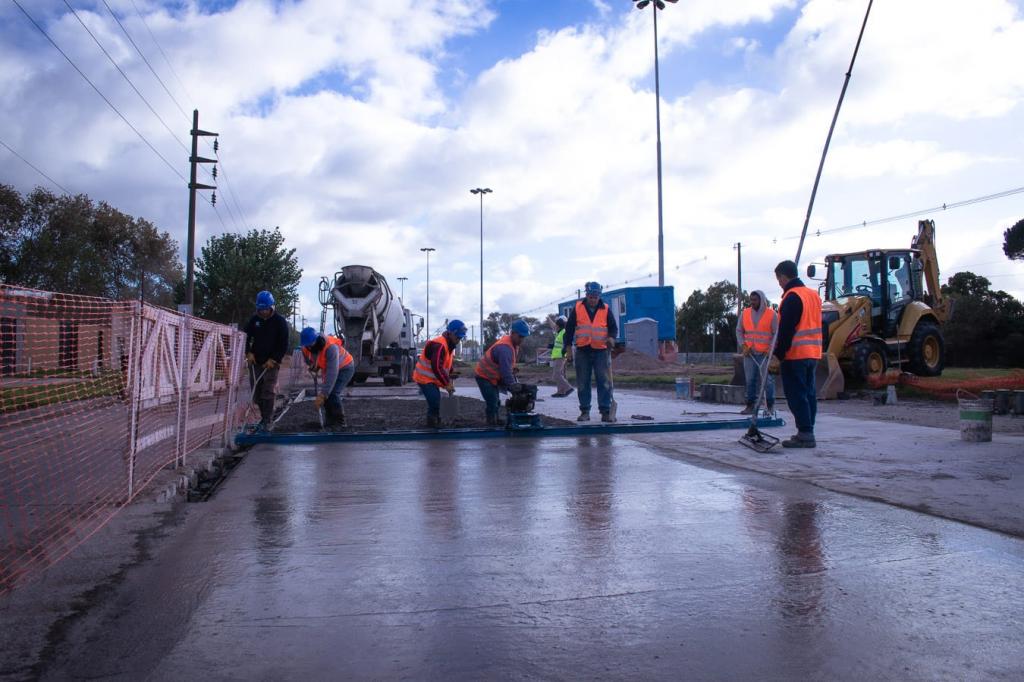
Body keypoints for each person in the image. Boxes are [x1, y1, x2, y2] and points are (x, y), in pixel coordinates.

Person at [769, 260, 823, 448]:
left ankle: (805, 433)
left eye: (778, 279)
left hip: (796, 354)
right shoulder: (813, 295)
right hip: (813, 353)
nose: (779, 283)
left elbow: (786, 330)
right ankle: (808, 430)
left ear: (784, 276)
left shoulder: (792, 297)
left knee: (796, 394)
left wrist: (778, 355)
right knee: (808, 394)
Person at [563, 281, 617, 422]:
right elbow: (569, 329)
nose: (593, 299)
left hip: (601, 351)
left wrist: (611, 338)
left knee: (604, 381)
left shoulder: (605, 309)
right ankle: (585, 411)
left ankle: (605, 411)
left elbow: (613, 327)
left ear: (599, 295)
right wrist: (568, 347)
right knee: (583, 382)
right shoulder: (578, 308)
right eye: (591, 297)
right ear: (586, 295)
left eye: (596, 297)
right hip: (583, 351)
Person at [243, 290, 290, 431]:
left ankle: (267, 421)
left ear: (271, 307)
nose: (263, 312)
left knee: (268, 391)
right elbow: (245, 336)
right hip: (256, 362)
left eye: (265, 309)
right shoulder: (254, 320)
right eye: (260, 309)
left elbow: (283, 344)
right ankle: (263, 418)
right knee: (257, 394)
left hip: (271, 363)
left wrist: (275, 359)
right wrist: (248, 352)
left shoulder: (280, 322)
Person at [475, 319, 530, 426]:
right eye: (520, 336)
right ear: (513, 333)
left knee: (496, 400)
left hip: (492, 375)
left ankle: (495, 419)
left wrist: (513, 378)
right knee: (493, 400)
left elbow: (507, 367)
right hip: (484, 376)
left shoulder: (513, 344)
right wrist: (513, 387)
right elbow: (505, 372)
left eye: (523, 337)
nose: (522, 339)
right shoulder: (505, 348)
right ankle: (491, 423)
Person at [413, 319, 467, 428]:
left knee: (436, 402)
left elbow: (444, 362)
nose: (459, 340)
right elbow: (436, 367)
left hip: (432, 379)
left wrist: (451, 372)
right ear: (451, 333)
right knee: (435, 401)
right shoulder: (439, 345)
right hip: (424, 378)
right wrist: (447, 383)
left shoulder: (449, 344)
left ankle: (436, 421)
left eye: (460, 338)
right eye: (458, 337)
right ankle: (432, 424)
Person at [299, 327, 355, 427]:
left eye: (311, 344)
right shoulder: (305, 347)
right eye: (307, 345)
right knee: (327, 395)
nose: (309, 347)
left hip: (345, 367)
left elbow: (332, 373)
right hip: (328, 368)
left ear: (317, 340)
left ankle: (340, 423)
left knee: (332, 393)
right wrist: (313, 366)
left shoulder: (331, 348)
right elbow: (309, 360)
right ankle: (329, 422)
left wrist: (323, 394)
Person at [736, 289, 777, 415]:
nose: (752, 302)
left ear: (761, 300)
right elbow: (739, 330)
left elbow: (776, 333)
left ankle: (770, 406)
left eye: (755, 300)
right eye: (751, 300)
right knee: (750, 380)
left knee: (767, 381)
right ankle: (750, 406)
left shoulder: (772, 314)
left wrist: (771, 348)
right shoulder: (745, 313)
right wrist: (743, 345)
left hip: (765, 355)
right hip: (750, 354)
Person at [548, 315, 574, 398]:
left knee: (557, 374)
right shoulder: (559, 333)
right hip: (558, 355)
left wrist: (565, 352)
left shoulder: (563, 332)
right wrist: (552, 346)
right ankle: (560, 392)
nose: (555, 326)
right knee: (560, 374)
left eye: (556, 325)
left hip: (561, 356)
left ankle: (568, 388)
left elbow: (567, 343)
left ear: (558, 325)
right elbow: (559, 344)